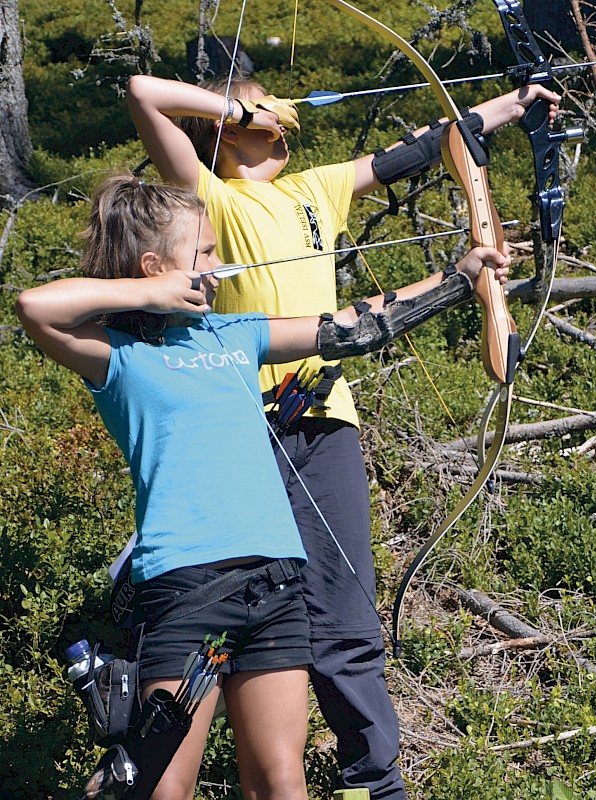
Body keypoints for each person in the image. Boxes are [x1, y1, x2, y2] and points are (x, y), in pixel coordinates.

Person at [126, 72, 557, 800]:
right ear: (228, 127)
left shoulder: (317, 188)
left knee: (344, 612)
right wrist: (235, 104)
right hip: (245, 432)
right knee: (236, 612)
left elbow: (427, 146)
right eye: (266, 111)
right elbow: (142, 94)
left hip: (325, 419)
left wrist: (517, 104)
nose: (284, 120)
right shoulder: (210, 197)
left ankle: (372, 782)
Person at [16, 175, 509, 800]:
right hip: (185, 587)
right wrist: (151, 293)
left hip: (275, 580)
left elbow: (351, 327)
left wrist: (460, 278)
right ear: (154, 266)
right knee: (163, 787)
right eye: (206, 252)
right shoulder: (115, 354)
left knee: (280, 782)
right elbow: (35, 305)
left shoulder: (234, 333)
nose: (222, 266)